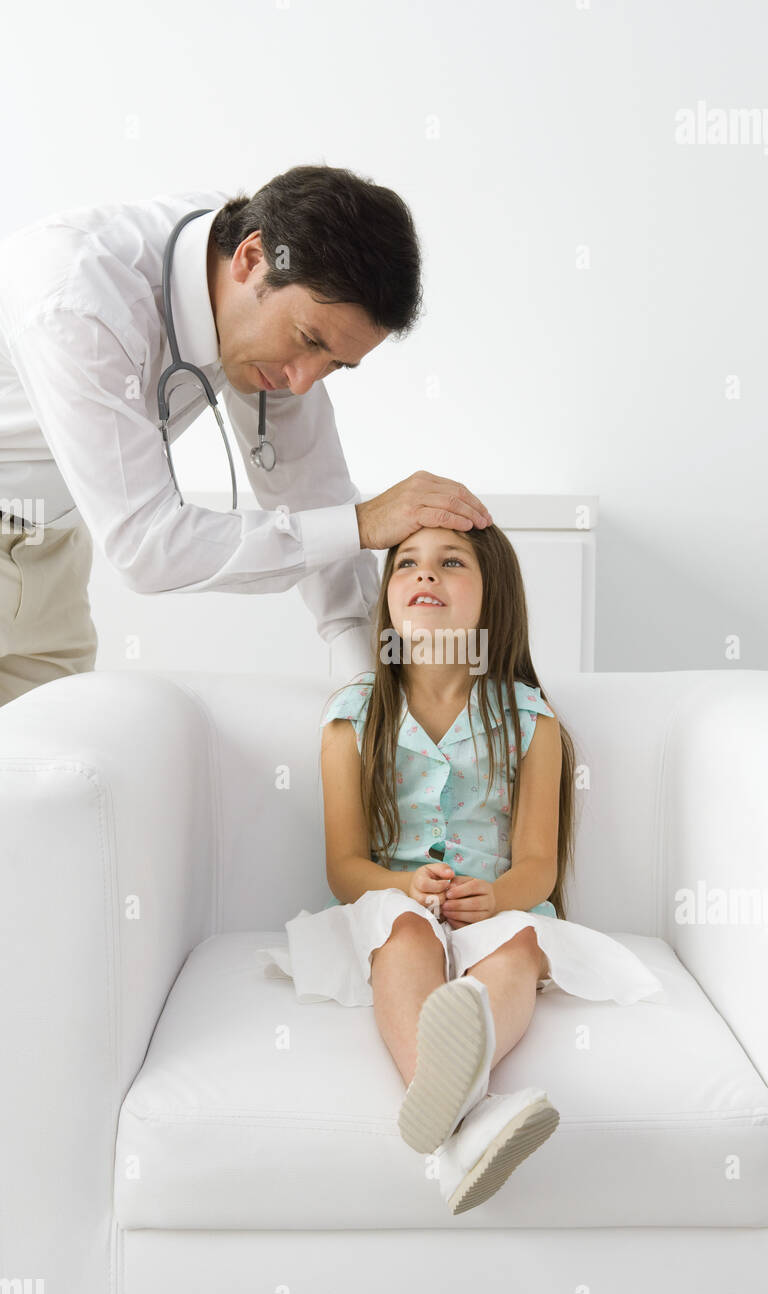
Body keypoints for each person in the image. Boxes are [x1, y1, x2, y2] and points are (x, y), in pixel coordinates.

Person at [257, 521, 667, 1216]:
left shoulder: (530, 722)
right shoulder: (350, 719)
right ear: (386, 597)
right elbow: (345, 867)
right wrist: (401, 885)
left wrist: (499, 896)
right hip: (397, 909)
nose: (424, 576)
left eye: (450, 563)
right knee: (403, 933)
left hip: (495, 914)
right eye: (406, 565)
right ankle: (469, 1129)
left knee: (517, 946)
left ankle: (456, 1065)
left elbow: (538, 863)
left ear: (492, 596)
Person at [0, 164, 493, 705]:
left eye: (334, 365)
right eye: (307, 339)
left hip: (54, 546)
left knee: (44, 767)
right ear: (251, 259)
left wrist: (375, 696)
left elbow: (312, 493)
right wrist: (362, 521)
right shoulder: (78, 301)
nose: (302, 382)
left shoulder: (244, 266)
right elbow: (146, 546)